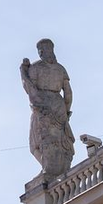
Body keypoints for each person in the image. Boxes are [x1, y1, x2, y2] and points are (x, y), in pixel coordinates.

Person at [20, 38, 75, 180]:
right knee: (59, 140)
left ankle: (47, 169)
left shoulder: (36, 68)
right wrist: (66, 110)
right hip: (59, 104)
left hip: (43, 105)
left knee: (36, 143)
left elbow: (30, 89)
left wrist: (23, 72)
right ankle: (55, 170)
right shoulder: (61, 69)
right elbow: (68, 93)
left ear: (41, 51)